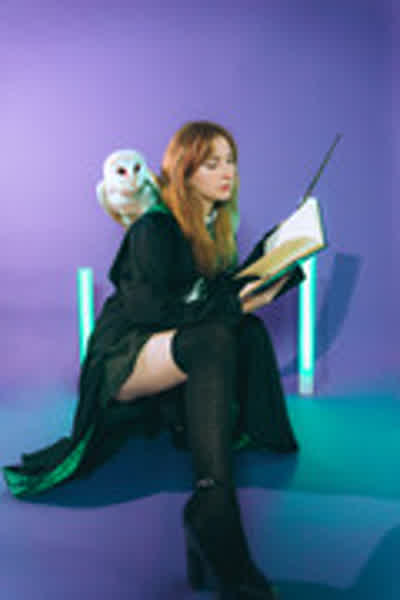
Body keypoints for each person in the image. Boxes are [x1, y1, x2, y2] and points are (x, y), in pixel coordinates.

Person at [3, 120, 305, 599]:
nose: (226, 172)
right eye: (211, 163)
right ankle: (213, 508)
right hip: (123, 353)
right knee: (214, 337)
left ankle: (218, 490)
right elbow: (152, 313)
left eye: (230, 161)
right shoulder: (155, 227)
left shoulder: (211, 226)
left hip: (162, 342)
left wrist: (271, 266)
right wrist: (235, 303)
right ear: (184, 172)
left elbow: (207, 294)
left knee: (242, 330)